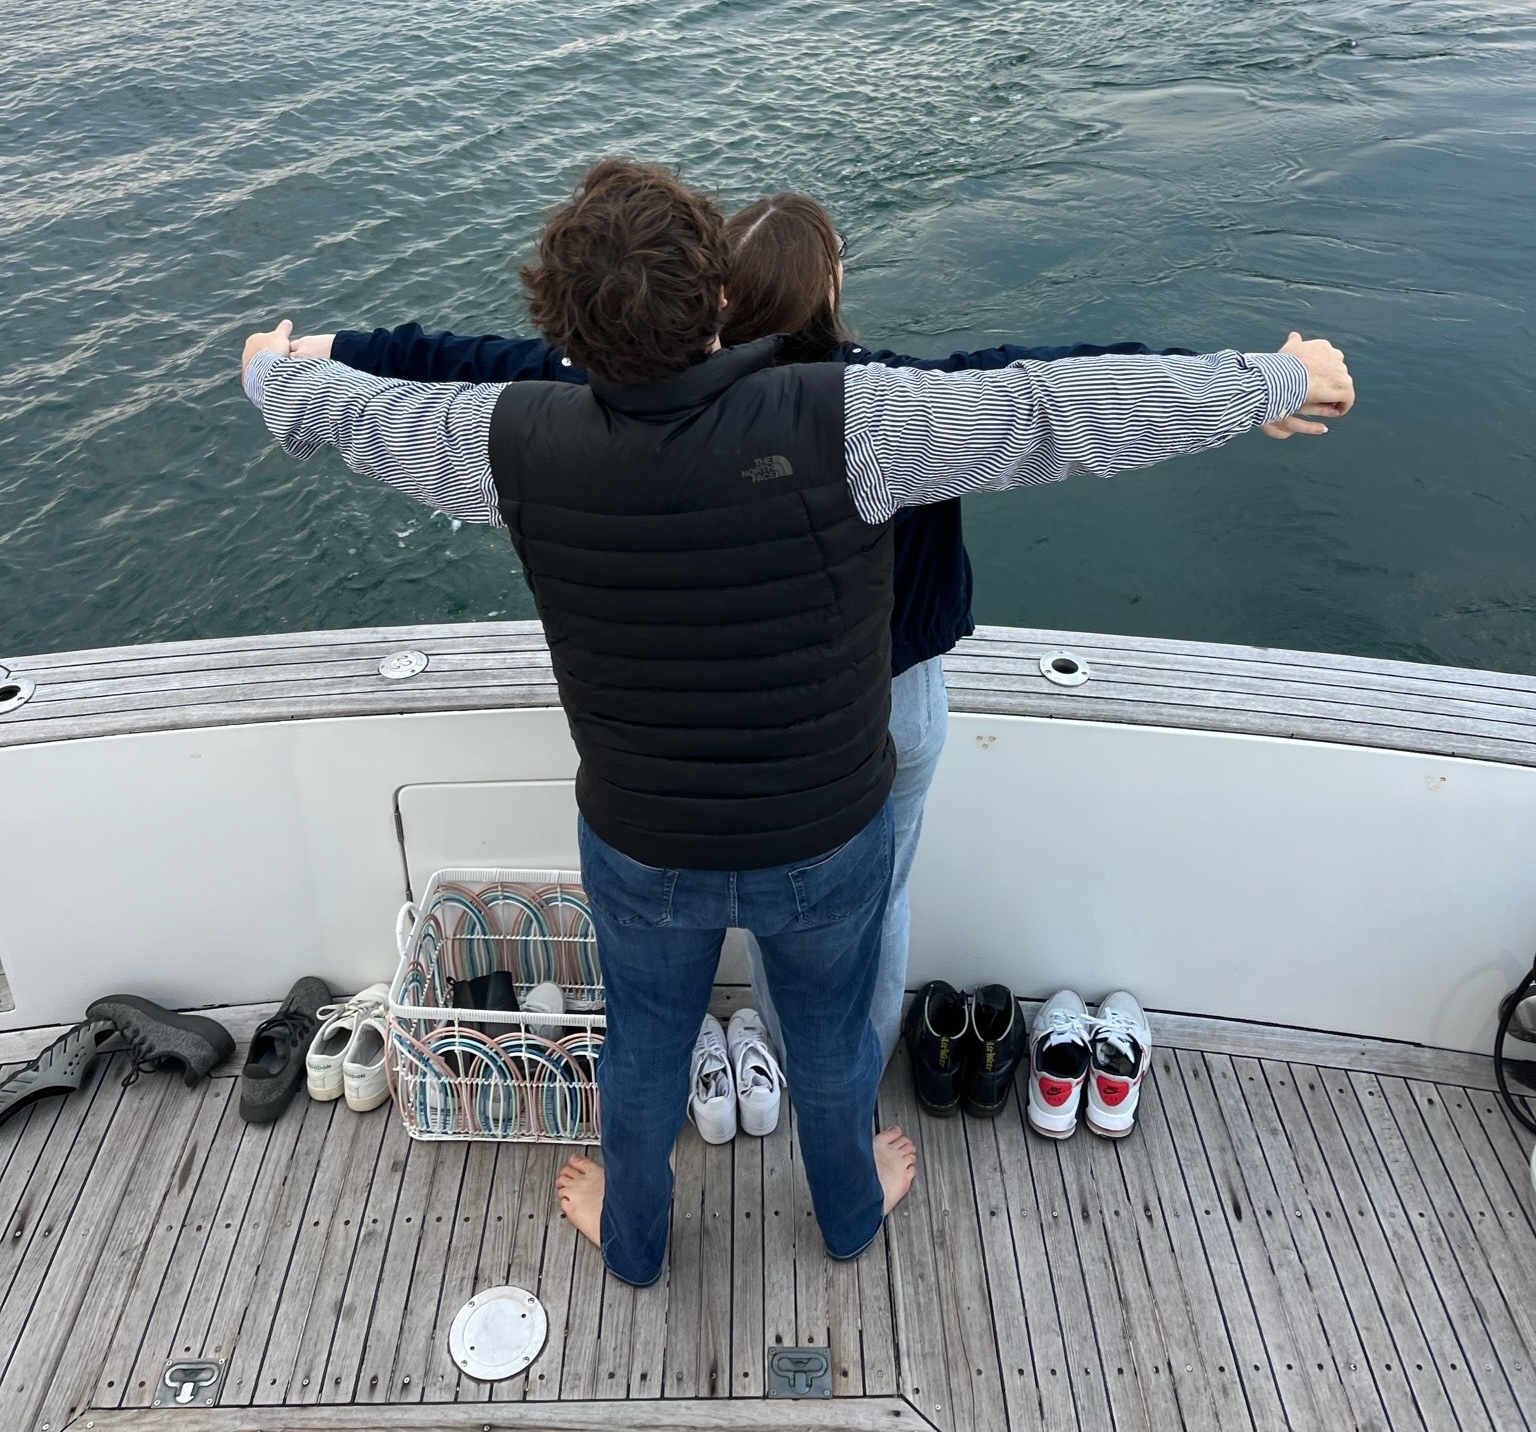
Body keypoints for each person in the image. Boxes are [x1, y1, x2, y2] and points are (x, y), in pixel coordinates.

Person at [242, 156, 1352, 1287]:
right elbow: (1052, 409)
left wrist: (273, 378)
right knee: (828, 1049)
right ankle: (849, 1217)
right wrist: (1267, 382)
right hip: (824, 836)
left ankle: (632, 1246)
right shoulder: (853, 417)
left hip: (643, 844)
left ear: (562, 330)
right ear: (718, 296)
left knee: (643, 1055)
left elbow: (365, 412)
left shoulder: (509, 441)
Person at [292, 192, 1222, 1067]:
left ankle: (718, 1066)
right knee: (868, 901)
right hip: (884, 708)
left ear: (720, 294)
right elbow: (1060, 389)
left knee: (696, 915)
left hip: (685, 712)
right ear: (830, 291)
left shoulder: (618, 405)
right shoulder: (894, 408)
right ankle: (840, 1066)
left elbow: (469, 362)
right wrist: (1255, 386)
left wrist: (319, 355)